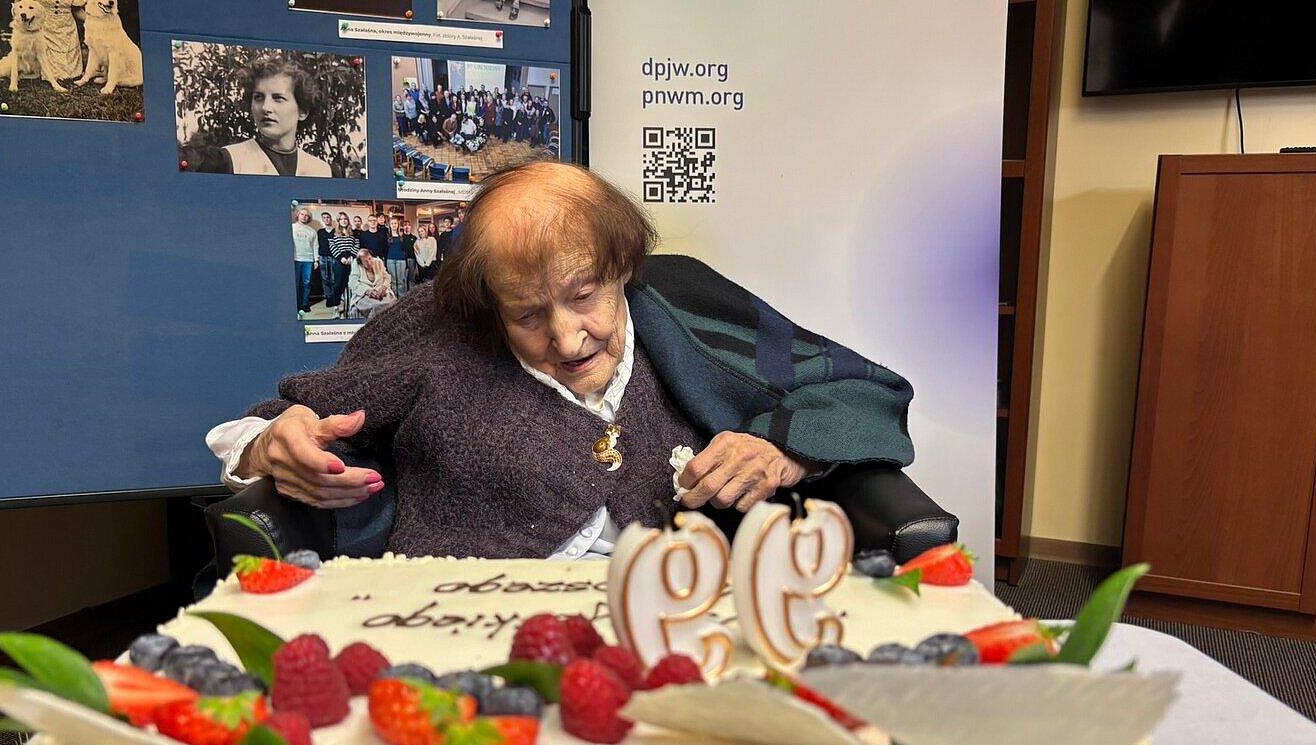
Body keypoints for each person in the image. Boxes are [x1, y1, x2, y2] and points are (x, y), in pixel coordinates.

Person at [206, 160, 914, 560]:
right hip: (469, 622)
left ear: (623, 265)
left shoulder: (688, 301)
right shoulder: (439, 325)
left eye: (584, 297)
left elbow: (859, 389)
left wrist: (782, 450)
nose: (569, 340)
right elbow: (281, 421)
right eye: (527, 315)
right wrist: (271, 444)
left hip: (680, 613)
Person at [190, 56, 330, 177]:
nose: (265, 107)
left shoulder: (323, 171)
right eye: (258, 97)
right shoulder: (227, 162)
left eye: (278, 98)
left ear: (303, 111)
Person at [344, 248, 395, 320]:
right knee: (375, 306)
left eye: (370, 258)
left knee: (390, 303)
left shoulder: (378, 262)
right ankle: (373, 324)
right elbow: (352, 282)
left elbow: (387, 277)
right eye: (365, 261)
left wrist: (384, 287)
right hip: (364, 294)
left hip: (380, 292)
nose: (369, 262)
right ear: (361, 263)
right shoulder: (356, 264)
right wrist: (367, 291)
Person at [327, 213, 358, 314]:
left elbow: (356, 244)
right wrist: (341, 258)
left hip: (351, 260)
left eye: (345, 219)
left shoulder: (352, 232)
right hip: (339, 260)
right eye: (341, 219)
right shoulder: (333, 232)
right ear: (338, 221)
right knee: (338, 285)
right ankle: (336, 307)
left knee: (350, 284)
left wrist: (351, 256)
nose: (343, 221)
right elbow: (332, 246)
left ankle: (350, 307)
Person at [292, 206, 319, 319]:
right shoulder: (292, 227)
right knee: (296, 283)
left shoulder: (312, 231)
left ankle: (305, 304)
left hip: (308, 260)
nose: (304, 217)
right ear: (298, 215)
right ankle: (296, 305)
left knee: (306, 283)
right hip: (295, 259)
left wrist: (316, 260)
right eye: (302, 214)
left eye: (306, 215)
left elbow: (315, 246)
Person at [315, 211, 339, 313]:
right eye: (324, 218)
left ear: (331, 219)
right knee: (325, 279)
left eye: (328, 217)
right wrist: (316, 259)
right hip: (323, 257)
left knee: (334, 279)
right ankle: (328, 298)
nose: (326, 219)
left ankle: (334, 298)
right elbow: (316, 245)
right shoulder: (320, 232)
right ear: (322, 220)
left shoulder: (336, 231)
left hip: (334, 257)